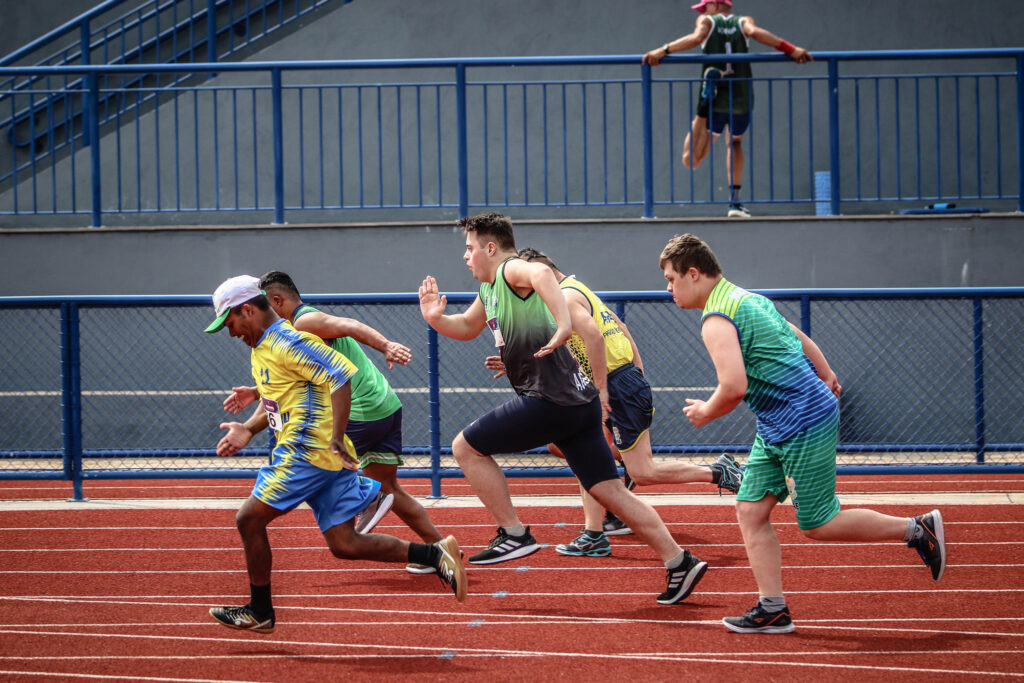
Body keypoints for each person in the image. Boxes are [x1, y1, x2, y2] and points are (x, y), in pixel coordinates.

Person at [658, 234, 947, 633]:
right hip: (778, 424)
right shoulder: (745, 298)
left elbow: (734, 388)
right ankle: (772, 608)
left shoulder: (716, 319)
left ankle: (918, 529)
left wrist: (706, 412)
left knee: (818, 523)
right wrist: (825, 370)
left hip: (802, 421)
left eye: (672, 279)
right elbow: (794, 334)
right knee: (750, 509)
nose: (668, 288)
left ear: (693, 273)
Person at [418, 212, 707, 605]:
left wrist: (563, 323)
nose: (465, 257)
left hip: (552, 401)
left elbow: (541, 275)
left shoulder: (510, 270)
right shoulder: (488, 291)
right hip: (578, 405)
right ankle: (679, 560)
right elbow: (467, 328)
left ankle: (514, 534)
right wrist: (434, 317)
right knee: (610, 491)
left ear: (490, 248)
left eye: (469, 248)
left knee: (465, 447)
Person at [205, 274, 466, 634]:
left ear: (247, 309)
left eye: (230, 323)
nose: (231, 332)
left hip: (306, 454)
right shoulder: (264, 347)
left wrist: (339, 436)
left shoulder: (286, 339)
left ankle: (260, 610)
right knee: (345, 544)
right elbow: (282, 396)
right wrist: (247, 428)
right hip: (318, 457)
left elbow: (339, 375)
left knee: (248, 519)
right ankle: (435, 553)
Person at [487, 247, 743, 558]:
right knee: (582, 453)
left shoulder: (565, 297)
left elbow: (594, 337)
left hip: (614, 386)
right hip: (617, 381)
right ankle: (595, 531)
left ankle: (717, 472)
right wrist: (636, 370)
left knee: (643, 471)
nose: (523, 290)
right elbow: (617, 329)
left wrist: (607, 387)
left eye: (524, 283)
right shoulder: (578, 289)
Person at [642, 0, 813, 218]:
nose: (703, 11)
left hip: (718, 97)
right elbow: (757, 33)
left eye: (705, 7)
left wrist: (663, 50)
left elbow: (696, 38)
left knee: (691, 160)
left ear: (714, 5)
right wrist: (792, 50)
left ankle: (702, 107)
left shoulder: (706, 21)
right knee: (735, 142)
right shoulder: (744, 22)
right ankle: (734, 202)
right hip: (740, 96)